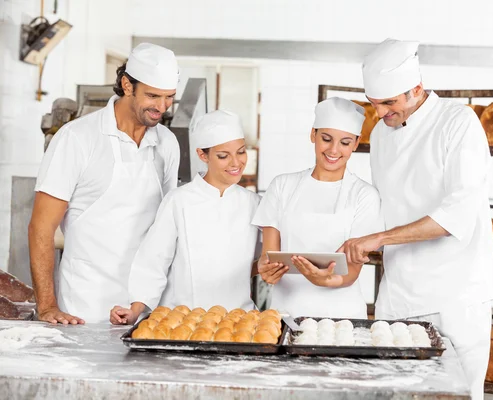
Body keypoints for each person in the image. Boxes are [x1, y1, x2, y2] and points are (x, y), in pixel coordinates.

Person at [337, 38, 493, 400]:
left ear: (416, 89)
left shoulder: (458, 123)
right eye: (374, 104)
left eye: (388, 103)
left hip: (456, 296)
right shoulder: (381, 134)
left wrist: (378, 240)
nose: (379, 114)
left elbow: (454, 216)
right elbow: (387, 205)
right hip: (398, 295)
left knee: (457, 395)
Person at [29, 43, 181, 324]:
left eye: (169, 97)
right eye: (152, 96)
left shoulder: (167, 143)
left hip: (146, 309)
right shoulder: (77, 138)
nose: (161, 107)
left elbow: (166, 227)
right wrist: (48, 306)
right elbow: (41, 227)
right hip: (85, 308)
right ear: (126, 85)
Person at [110, 110, 260, 325]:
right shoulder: (179, 201)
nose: (236, 163)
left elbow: (265, 259)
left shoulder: (254, 204)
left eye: (241, 152)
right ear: (202, 155)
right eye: (223, 156)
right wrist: (135, 309)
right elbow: (153, 260)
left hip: (237, 321)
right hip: (183, 320)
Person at [252, 97, 383, 319]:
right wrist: (265, 269)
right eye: (326, 138)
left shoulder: (365, 195)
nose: (334, 150)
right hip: (287, 315)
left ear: (356, 142)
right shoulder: (282, 186)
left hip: (344, 318)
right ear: (313, 134)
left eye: (345, 142)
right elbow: (270, 257)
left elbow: (351, 272)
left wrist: (327, 280)